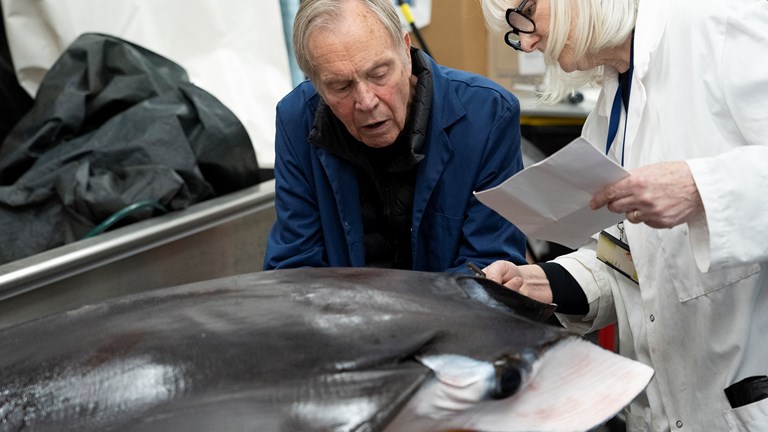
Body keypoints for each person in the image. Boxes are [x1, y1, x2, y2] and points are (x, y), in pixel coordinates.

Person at [479, 0, 768, 430]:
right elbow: (639, 259)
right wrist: (549, 283)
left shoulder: (720, 23)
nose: (525, 42)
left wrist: (699, 189)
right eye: (512, 30)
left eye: (525, 13)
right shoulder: (612, 105)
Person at [264, 0, 528, 272]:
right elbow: (293, 268)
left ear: (405, 48)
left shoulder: (487, 115)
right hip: (343, 313)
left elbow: (491, 268)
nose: (366, 102)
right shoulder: (297, 119)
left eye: (379, 74)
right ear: (314, 83)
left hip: (452, 313)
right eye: (341, 86)